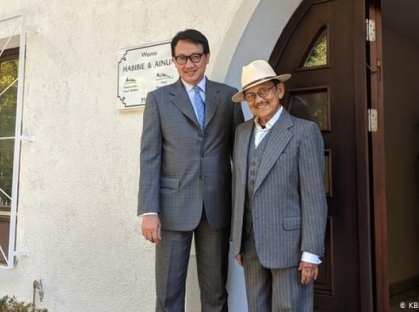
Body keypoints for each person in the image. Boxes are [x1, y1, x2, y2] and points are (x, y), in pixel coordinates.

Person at [137, 29, 244, 311]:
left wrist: (243, 209)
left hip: (216, 207)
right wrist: (149, 210)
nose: (189, 64)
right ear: (174, 61)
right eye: (181, 58)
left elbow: (240, 155)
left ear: (206, 57)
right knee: (169, 294)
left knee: (216, 294)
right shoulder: (158, 99)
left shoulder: (228, 97)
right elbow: (150, 156)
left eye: (195, 56)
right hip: (172, 208)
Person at [230, 60, 327, 312]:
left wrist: (311, 252)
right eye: (251, 95)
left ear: (279, 91)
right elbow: (239, 188)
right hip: (251, 245)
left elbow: (314, 196)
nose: (258, 99)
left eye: (264, 91)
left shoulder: (303, 132)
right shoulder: (241, 133)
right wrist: (238, 241)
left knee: (289, 308)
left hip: (290, 245)